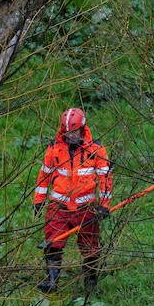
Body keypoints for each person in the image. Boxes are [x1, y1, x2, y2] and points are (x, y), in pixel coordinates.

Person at [32, 107, 112, 293]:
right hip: (58, 206)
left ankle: (90, 283)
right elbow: (44, 175)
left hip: (86, 208)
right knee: (53, 243)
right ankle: (52, 282)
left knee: (90, 247)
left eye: (74, 132)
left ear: (82, 129)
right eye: (67, 132)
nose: (71, 136)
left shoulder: (96, 150)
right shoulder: (54, 149)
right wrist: (39, 200)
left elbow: (105, 177)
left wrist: (103, 205)